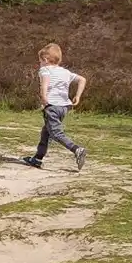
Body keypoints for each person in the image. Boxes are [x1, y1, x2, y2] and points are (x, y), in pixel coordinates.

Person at [23, 43, 86, 171]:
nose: (39, 64)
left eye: (40, 61)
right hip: (64, 107)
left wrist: (44, 99)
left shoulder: (45, 70)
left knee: (56, 133)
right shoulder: (65, 72)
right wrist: (77, 96)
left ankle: (76, 149)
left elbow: (44, 85)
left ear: (45, 60)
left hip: (52, 105)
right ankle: (37, 158)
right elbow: (82, 80)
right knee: (46, 131)